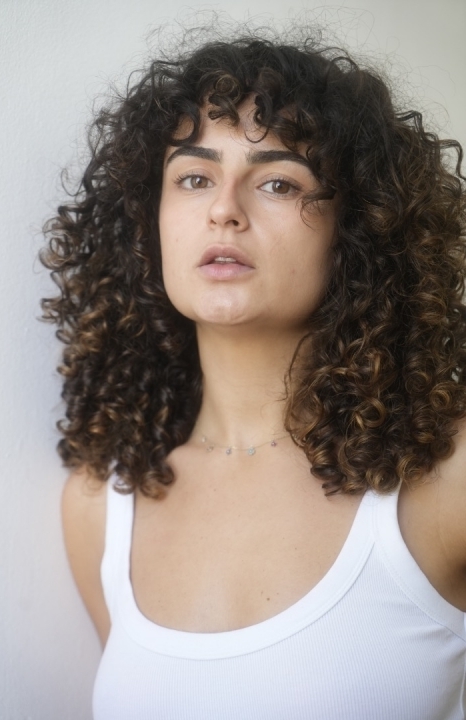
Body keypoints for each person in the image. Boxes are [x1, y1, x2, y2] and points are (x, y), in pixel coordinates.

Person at [40, 26, 466, 719]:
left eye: (276, 181)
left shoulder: (446, 476)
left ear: (359, 228)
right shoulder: (100, 504)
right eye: (194, 177)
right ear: (149, 221)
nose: (224, 210)